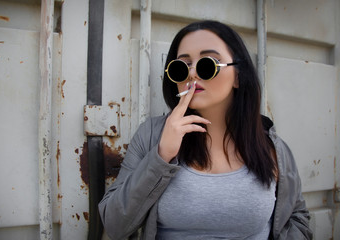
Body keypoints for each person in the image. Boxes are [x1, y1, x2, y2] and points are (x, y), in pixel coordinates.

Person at [99, 20, 312, 240]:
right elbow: (115, 225)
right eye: (182, 66)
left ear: (238, 76)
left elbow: (297, 217)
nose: (192, 74)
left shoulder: (270, 146)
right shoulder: (151, 136)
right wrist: (161, 156)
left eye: (207, 64)